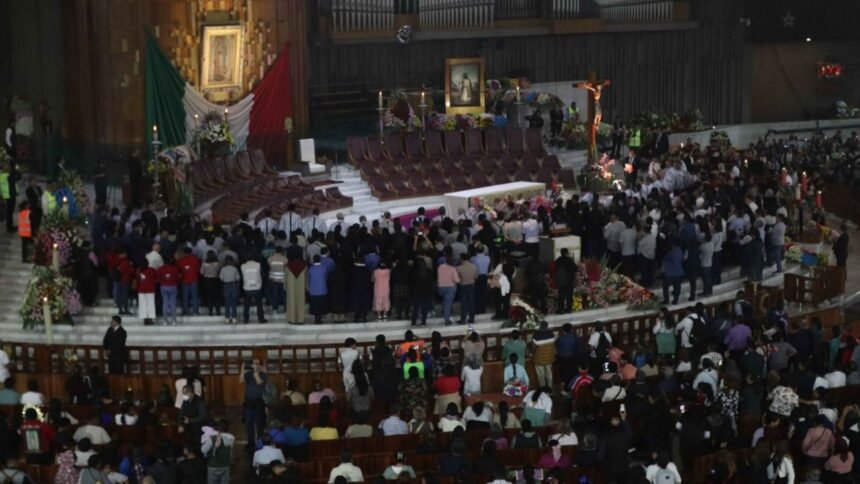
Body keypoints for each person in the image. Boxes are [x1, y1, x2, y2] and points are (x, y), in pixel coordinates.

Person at [241, 359, 268, 447]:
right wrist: (242, 369)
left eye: (257, 363)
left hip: (259, 402)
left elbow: (259, 382)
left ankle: (260, 442)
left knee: (259, 424)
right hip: (249, 402)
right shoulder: (248, 374)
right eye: (253, 363)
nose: (254, 365)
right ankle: (250, 443)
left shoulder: (263, 375)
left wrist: (256, 372)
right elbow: (241, 380)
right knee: (249, 424)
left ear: (260, 366)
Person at [241, 256, 267, 324]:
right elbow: (262, 274)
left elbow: (242, 276)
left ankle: (245, 319)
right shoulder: (258, 265)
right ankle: (261, 319)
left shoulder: (243, 266)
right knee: (259, 305)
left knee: (246, 305)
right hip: (257, 287)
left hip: (247, 288)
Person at [532, 322, 556, 389]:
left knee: (541, 375)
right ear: (547, 327)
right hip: (549, 358)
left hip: (539, 359)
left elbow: (533, 348)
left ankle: (543, 389)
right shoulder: (551, 334)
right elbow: (553, 346)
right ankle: (550, 389)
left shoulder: (536, 336)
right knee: (549, 374)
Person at [157, 259, 180, 325]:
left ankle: (165, 321)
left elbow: (158, 279)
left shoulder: (160, 269)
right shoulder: (174, 269)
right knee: (173, 304)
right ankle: (174, 321)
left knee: (165, 304)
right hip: (173, 286)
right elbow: (177, 278)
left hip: (164, 286)